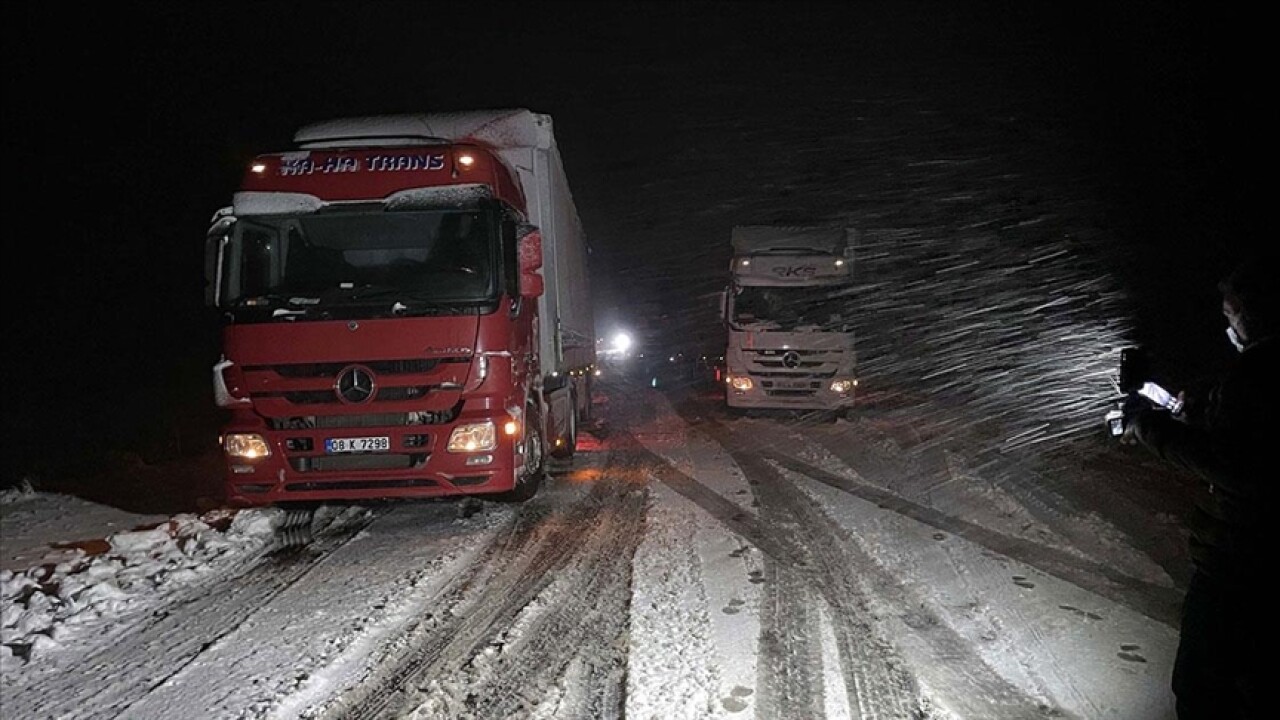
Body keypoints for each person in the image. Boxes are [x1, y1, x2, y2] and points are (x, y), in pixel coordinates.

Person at [1121, 260, 1275, 719]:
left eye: (1231, 315)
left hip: (1242, 564)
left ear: (1253, 314)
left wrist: (1148, 427)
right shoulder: (1254, 375)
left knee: (1202, 687)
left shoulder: (1257, 374)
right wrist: (1198, 411)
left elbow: (1236, 466)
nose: (1228, 325)